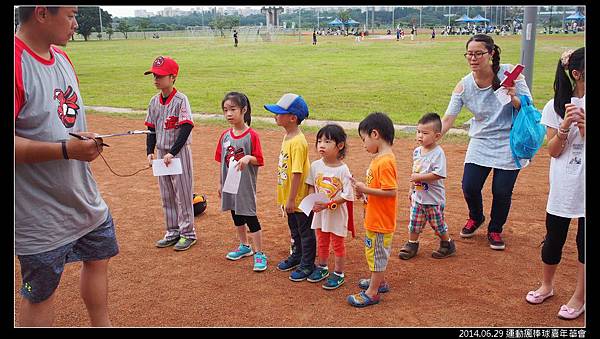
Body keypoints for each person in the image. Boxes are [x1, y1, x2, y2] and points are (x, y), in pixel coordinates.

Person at [15, 6, 119, 326]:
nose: (76, 23)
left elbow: (63, 119)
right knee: (40, 290)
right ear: (42, 13)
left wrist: (81, 139)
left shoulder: (62, 58)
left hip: (82, 197)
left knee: (98, 258)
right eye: (71, 15)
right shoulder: (16, 62)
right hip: (38, 211)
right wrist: (65, 149)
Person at [441, 34, 532, 251]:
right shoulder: (464, 85)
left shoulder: (510, 73)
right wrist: (432, 138)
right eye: (469, 54)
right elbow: (448, 119)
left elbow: (529, 106)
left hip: (509, 140)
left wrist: (514, 97)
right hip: (481, 139)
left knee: (501, 191)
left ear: (491, 54)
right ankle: (476, 216)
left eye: (479, 53)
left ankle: (495, 228)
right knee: (469, 186)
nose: (473, 58)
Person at [525, 48, 585, 320]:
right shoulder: (555, 105)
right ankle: (547, 285)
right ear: (576, 74)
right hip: (564, 186)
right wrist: (564, 127)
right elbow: (552, 151)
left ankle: (579, 296)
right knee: (553, 239)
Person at [144, 55, 197, 251]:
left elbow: (186, 127)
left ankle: (188, 233)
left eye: (160, 75)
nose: (156, 79)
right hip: (161, 154)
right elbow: (151, 128)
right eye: (154, 75)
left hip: (179, 154)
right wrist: (150, 151)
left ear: (173, 77)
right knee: (166, 194)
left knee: (182, 195)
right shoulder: (153, 101)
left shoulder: (181, 100)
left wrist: (173, 152)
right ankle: (172, 231)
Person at [347, 112, 398, 308]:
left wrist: (364, 189)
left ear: (375, 134)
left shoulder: (385, 161)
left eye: (364, 139)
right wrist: (365, 194)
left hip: (380, 221)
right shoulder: (379, 159)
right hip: (374, 216)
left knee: (377, 256)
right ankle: (379, 281)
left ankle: (373, 292)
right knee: (373, 253)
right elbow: (379, 190)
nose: (363, 144)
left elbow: (390, 192)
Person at [264, 93, 316, 282]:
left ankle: (307, 264)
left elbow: (297, 173)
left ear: (293, 118)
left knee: (305, 232)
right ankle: (297, 256)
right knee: (294, 229)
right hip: (290, 197)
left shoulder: (298, 142)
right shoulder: (288, 137)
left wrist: (292, 199)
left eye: (279, 113)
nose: (275, 116)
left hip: (299, 198)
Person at [215, 92, 267, 272]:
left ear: (244, 110)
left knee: (249, 216)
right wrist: (220, 183)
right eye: (225, 110)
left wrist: (247, 158)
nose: (229, 114)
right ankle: (244, 246)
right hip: (229, 183)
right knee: (235, 213)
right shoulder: (225, 136)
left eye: (233, 109)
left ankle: (259, 252)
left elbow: (259, 159)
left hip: (244, 185)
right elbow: (221, 161)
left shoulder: (252, 135)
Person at [398, 113, 456, 260]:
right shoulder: (417, 152)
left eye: (424, 133)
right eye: (418, 131)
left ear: (436, 136)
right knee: (414, 223)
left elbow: (439, 174)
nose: (420, 136)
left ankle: (447, 243)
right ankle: (412, 244)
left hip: (433, 199)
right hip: (419, 197)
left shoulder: (438, 153)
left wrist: (419, 178)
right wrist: (411, 188)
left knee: (438, 224)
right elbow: (415, 171)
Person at [305, 124, 355, 290]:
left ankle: (339, 273)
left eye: (327, 141)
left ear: (339, 146)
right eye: (319, 141)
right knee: (322, 240)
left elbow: (346, 195)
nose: (321, 145)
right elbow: (311, 184)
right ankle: (322, 267)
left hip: (336, 214)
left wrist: (327, 205)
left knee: (338, 243)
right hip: (320, 214)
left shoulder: (343, 170)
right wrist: (313, 200)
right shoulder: (315, 165)